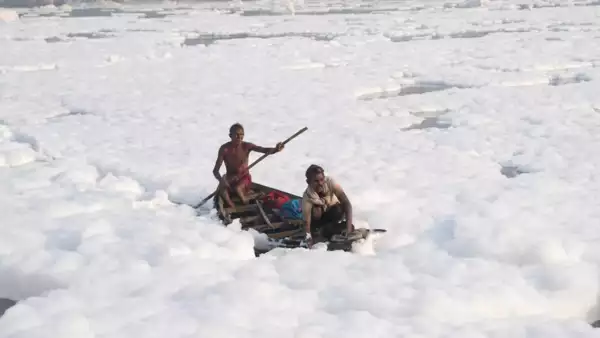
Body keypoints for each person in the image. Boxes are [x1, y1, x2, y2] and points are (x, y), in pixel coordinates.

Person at [212, 123, 284, 207]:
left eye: (242, 135)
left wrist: (276, 149)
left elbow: (263, 149)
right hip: (230, 178)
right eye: (237, 135)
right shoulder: (224, 149)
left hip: (244, 177)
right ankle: (231, 206)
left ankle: (253, 196)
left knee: (238, 189)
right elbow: (215, 171)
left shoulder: (246, 146)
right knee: (223, 189)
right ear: (230, 135)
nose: (239, 137)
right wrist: (221, 180)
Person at [301, 164, 354, 246]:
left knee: (338, 209)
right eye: (316, 181)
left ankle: (332, 229)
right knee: (316, 210)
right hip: (317, 221)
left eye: (322, 180)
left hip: (332, 214)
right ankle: (321, 231)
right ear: (308, 182)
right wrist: (309, 238)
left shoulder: (330, 182)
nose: (320, 183)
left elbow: (346, 203)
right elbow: (306, 223)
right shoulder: (307, 197)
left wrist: (348, 227)